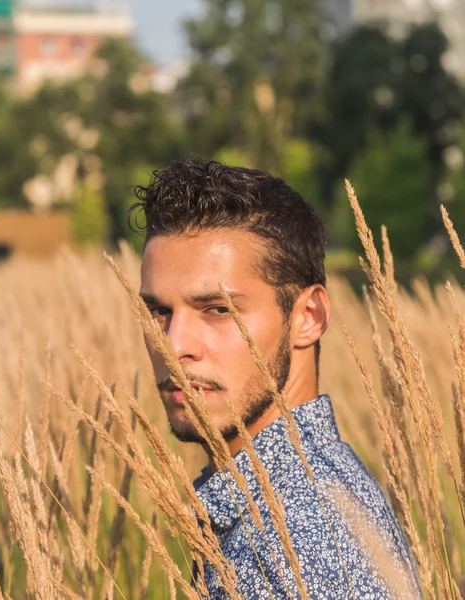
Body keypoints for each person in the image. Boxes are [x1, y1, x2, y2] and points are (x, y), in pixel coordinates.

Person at [131, 158, 422, 599]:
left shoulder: (292, 550)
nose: (174, 347)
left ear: (309, 316)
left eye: (217, 309)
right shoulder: (297, 499)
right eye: (159, 311)